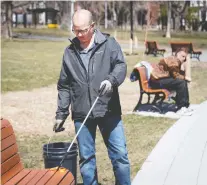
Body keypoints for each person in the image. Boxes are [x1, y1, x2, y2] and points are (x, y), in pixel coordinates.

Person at [53, 9, 131, 185]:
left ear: (93, 27)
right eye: (75, 30)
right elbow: (64, 85)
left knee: (120, 156)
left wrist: (111, 81)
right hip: (82, 112)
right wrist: (61, 114)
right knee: (86, 159)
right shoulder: (69, 52)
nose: (79, 34)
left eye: (83, 30)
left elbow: (120, 66)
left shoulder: (109, 44)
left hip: (108, 109)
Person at [149, 47, 192, 115]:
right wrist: (185, 78)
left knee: (182, 82)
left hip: (160, 80)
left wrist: (184, 78)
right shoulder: (173, 60)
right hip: (157, 81)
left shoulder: (175, 60)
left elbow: (174, 74)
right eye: (182, 56)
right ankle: (182, 107)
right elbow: (175, 75)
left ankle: (185, 106)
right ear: (177, 54)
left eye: (185, 57)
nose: (184, 59)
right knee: (181, 82)